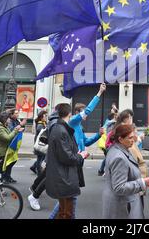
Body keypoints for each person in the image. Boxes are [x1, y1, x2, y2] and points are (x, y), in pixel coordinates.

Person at [48, 83, 107, 219]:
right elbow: (88, 111)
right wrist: (99, 93)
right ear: (75, 113)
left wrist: (98, 135)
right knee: (69, 201)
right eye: (83, 112)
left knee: (67, 202)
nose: (86, 114)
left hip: (76, 162)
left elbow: (86, 142)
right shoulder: (72, 122)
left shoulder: (78, 126)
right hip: (72, 162)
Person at [45, 103, 89, 219]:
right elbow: (67, 157)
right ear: (69, 113)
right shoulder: (61, 130)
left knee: (64, 211)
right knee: (67, 213)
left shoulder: (60, 128)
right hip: (65, 178)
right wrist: (81, 156)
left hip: (63, 176)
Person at [102, 124, 149, 219]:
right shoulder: (119, 157)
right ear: (120, 139)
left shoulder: (117, 149)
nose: (133, 140)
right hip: (122, 208)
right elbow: (119, 187)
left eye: (133, 137)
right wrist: (143, 182)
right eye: (130, 138)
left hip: (121, 204)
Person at [28, 109, 59, 211]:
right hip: (49, 151)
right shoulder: (54, 123)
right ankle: (35, 195)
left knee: (45, 173)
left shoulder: (52, 122)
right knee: (48, 174)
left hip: (50, 152)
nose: (46, 116)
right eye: (45, 115)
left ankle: (34, 188)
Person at [0, 111, 23, 183]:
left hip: (5, 150)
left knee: (4, 167)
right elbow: (7, 138)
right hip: (0, 152)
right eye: (8, 119)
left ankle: (1, 181)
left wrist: (17, 131)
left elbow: (10, 135)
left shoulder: (4, 126)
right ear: (4, 119)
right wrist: (16, 130)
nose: (9, 120)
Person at [98, 112, 118, 176]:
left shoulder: (109, 122)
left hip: (106, 143)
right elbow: (110, 135)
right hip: (107, 143)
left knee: (107, 157)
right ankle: (104, 171)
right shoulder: (112, 124)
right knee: (108, 158)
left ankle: (102, 170)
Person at [30, 110, 48, 175]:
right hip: (40, 144)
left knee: (40, 157)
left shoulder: (43, 123)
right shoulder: (40, 124)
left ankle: (34, 167)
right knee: (40, 158)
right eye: (45, 116)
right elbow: (42, 133)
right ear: (42, 116)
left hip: (41, 143)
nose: (46, 117)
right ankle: (39, 172)